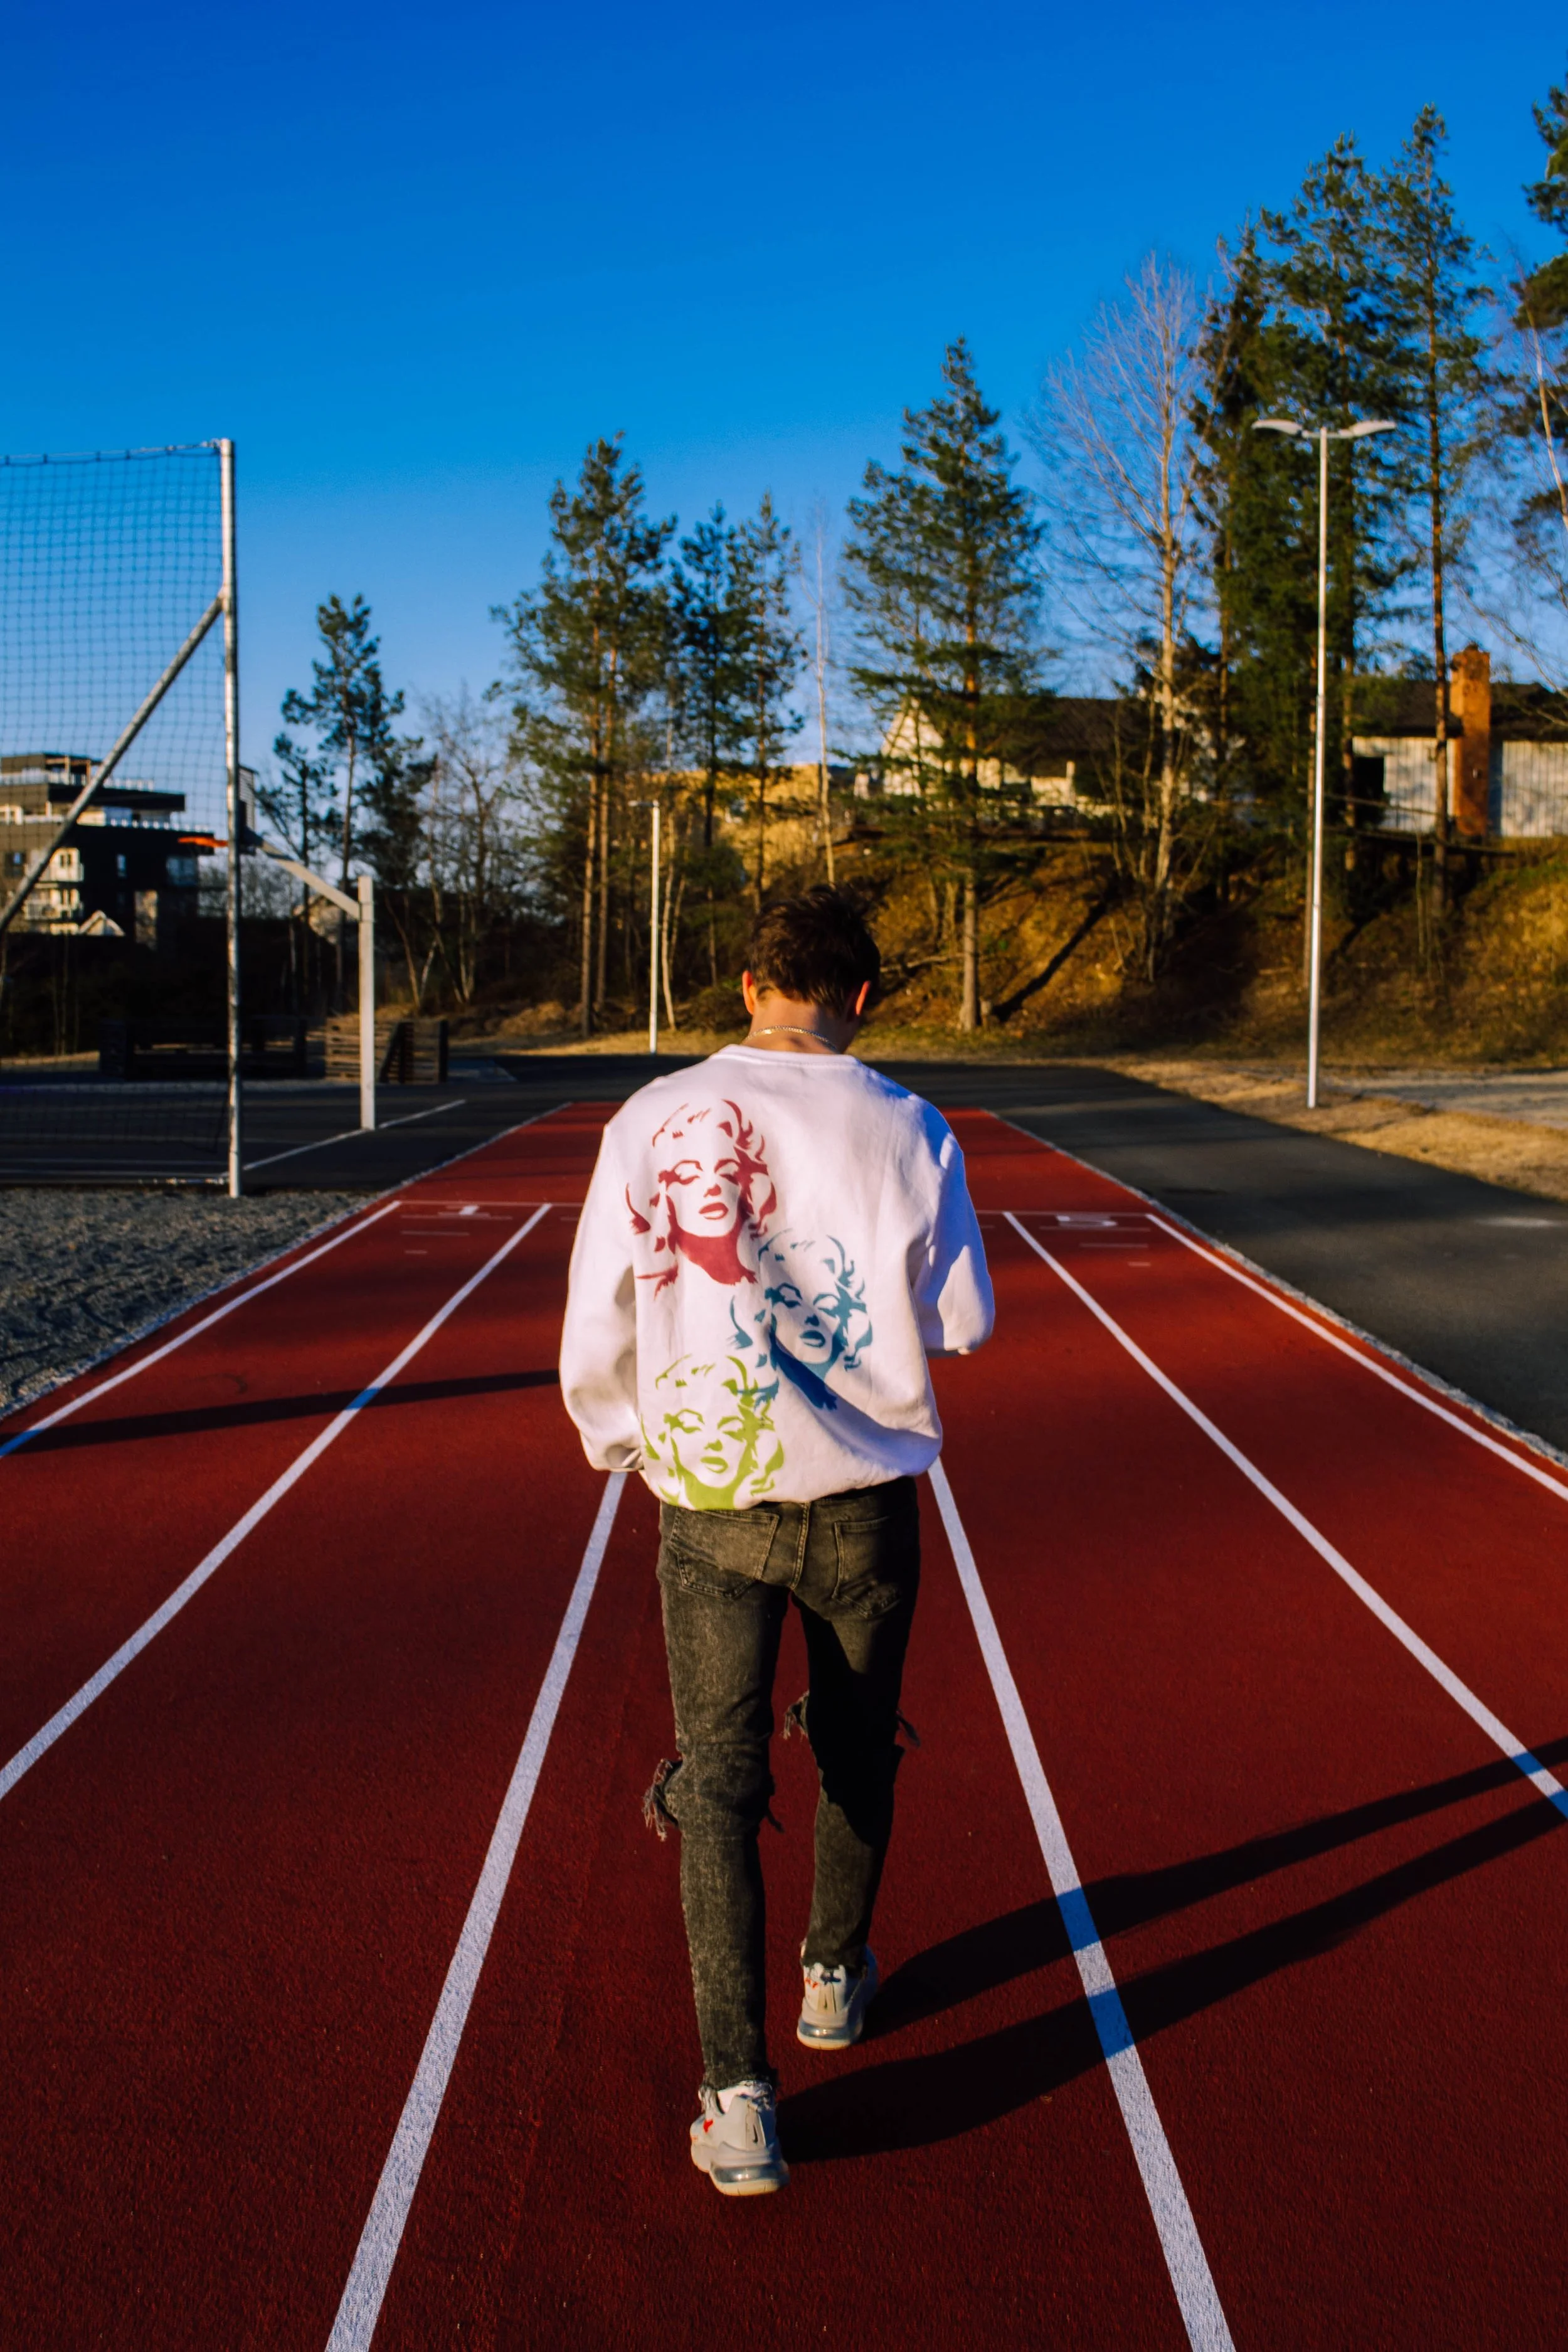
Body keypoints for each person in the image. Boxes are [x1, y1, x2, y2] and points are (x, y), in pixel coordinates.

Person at [559, 885, 993, 2196]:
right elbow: (962, 1320)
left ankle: (736, 2099)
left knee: (718, 1783)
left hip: (712, 1496)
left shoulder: (647, 1120)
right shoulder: (914, 1127)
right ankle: (830, 1979)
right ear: (858, 997)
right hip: (864, 1500)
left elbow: (598, 1329)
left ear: (745, 987)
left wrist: (624, 1444)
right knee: (857, 1742)